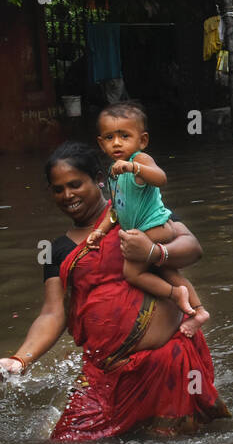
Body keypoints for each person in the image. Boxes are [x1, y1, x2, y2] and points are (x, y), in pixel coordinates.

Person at [0, 142, 229, 441]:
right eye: (58, 189)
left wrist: (153, 252)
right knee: (66, 443)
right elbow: (53, 313)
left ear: (99, 179)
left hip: (166, 359)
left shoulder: (140, 214)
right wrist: (21, 359)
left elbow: (193, 249)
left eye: (76, 184)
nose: (68, 196)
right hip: (106, 370)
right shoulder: (59, 249)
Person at [85, 103, 209, 336]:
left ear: (142, 140)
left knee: (132, 273)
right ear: (101, 143)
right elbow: (116, 209)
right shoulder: (114, 171)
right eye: (110, 138)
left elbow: (161, 178)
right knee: (168, 272)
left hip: (154, 227)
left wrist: (134, 167)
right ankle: (199, 311)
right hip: (146, 229)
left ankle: (175, 295)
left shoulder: (139, 159)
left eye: (124, 136)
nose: (117, 143)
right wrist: (100, 231)